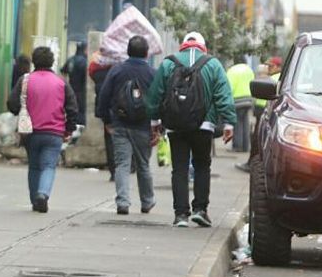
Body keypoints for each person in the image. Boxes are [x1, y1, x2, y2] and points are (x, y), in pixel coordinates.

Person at [146, 32, 236, 228]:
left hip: (175, 125)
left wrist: (154, 121)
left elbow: (156, 94)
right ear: (203, 46)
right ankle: (200, 210)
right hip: (204, 125)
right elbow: (223, 93)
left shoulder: (168, 63)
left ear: (183, 45)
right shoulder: (213, 64)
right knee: (202, 165)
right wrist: (229, 122)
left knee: (179, 168)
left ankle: (180, 215)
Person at [8, 46, 80, 213]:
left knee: (34, 166)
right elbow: (72, 109)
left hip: (30, 132)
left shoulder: (25, 80)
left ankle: (35, 200)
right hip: (54, 133)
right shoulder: (61, 82)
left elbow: (12, 104)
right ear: (52, 62)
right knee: (48, 166)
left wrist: (22, 110)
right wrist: (68, 130)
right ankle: (43, 194)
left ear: (34, 61)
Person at [96, 36, 157, 215]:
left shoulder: (117, 70)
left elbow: (104, 96)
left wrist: (106, 120)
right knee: (143, 164)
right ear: (146, 53)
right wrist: (158, 126)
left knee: (122, 164)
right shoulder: (153, 73)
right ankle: (147, 201)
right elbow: (159, 100)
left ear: (128, 51)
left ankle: (123, 202)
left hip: (120, 124)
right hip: (143, 126)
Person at [88, 51, 116, 181]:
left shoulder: (96, 69)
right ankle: (127, 166)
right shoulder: (117, 68)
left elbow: (91, 72)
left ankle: (113, 170)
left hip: (105, 108)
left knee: (109, 139)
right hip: (119, 106)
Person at [226, 58, 256, 153]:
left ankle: (237, 146)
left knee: (237, 123)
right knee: (245, 123)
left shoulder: (232, 70)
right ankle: (245, 146)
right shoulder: (249, 70)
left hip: (237, 100)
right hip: (249, 99)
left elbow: (229, 87)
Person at [60, 41, 88, 124]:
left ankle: (72, 124)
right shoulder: (85, 61)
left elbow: (63, 71)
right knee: (81, 111)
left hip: (70, 89)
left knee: (71, 109)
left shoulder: (70, 60)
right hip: (82, 91)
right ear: (84, 49)